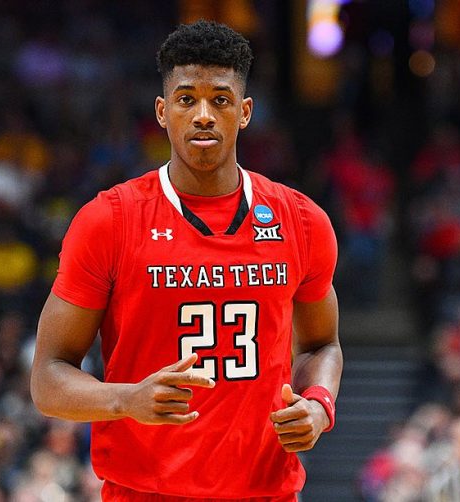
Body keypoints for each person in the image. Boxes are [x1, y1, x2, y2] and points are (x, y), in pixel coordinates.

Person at [29, 20, 342, 502]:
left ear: (245, 112)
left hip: (266, 492)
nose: (202, 115)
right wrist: (126, 399)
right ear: (161, 111)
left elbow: (323, 344)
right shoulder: (108, 220)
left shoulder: (301, 221)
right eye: (185, 99)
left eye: (219, 99)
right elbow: (48, 378)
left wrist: (319, 405)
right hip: (144, 491)